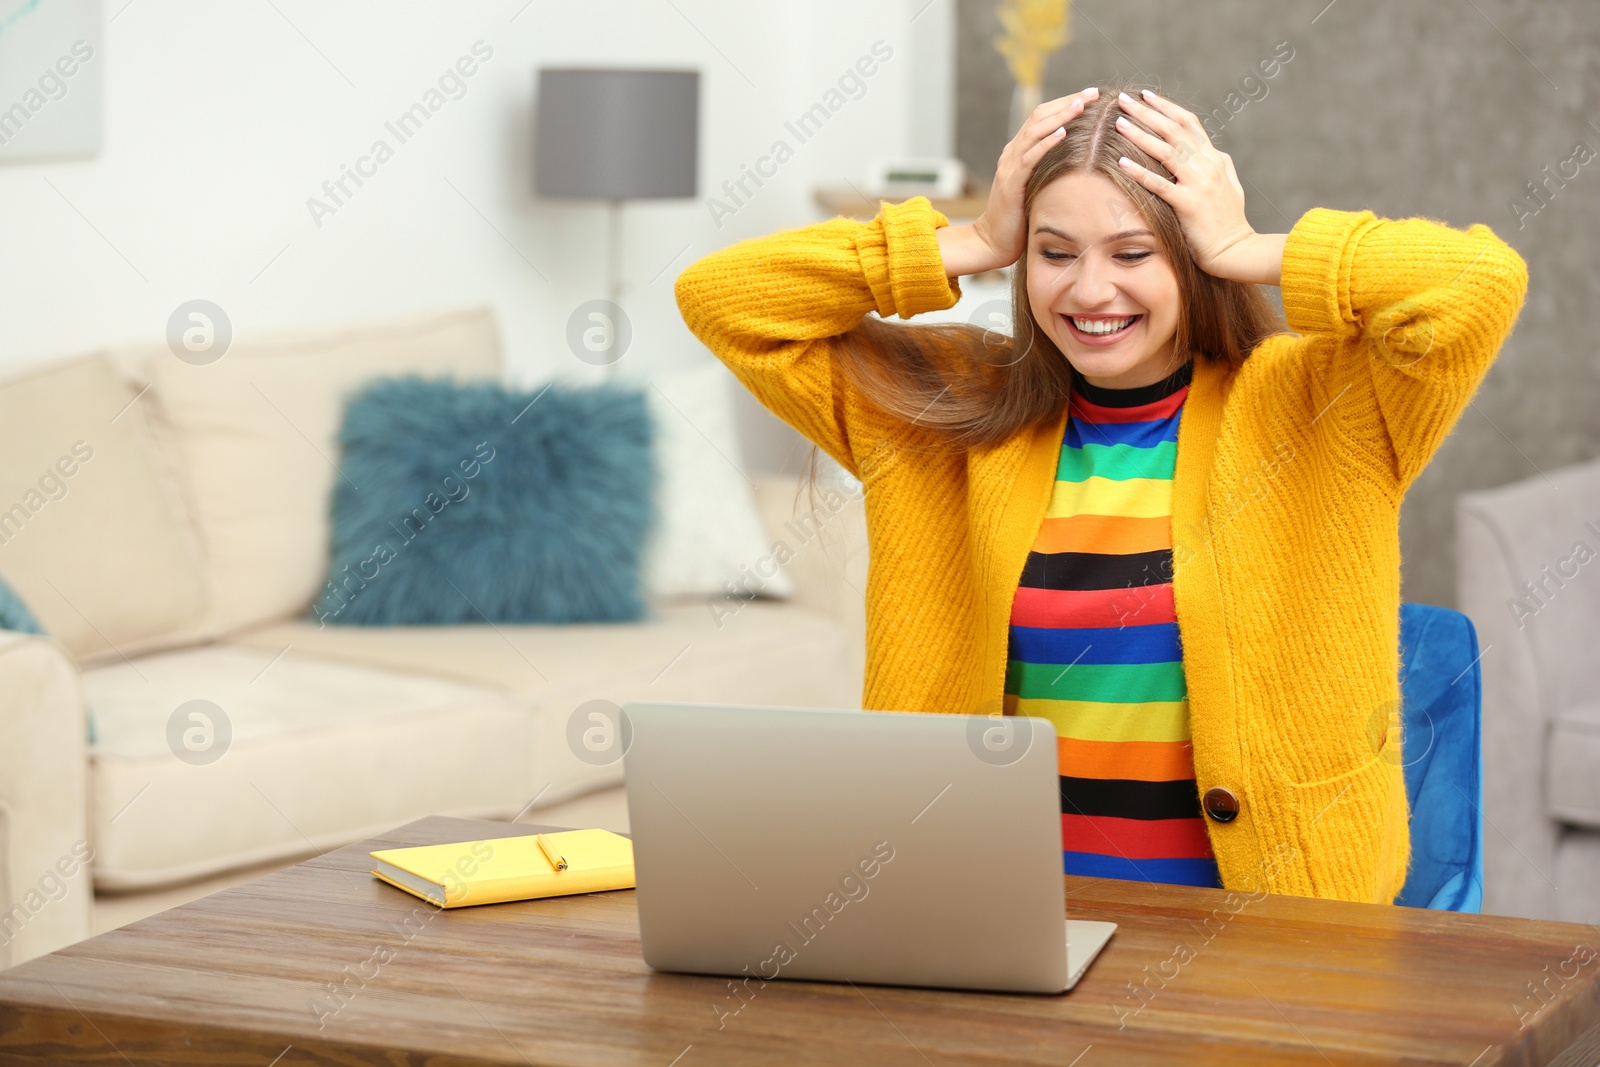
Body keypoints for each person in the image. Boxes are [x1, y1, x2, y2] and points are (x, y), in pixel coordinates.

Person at [673, 81, 1529, 904]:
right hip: (986, 924)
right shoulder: (945, 411)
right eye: (1054, 253)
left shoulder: (1323, 406)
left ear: (1190, 259)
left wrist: (1247, 249)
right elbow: (725, 299)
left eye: (1132, 253)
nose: (1089, 291)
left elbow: (1477, 284)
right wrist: (967, 239)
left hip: (1273, 925)